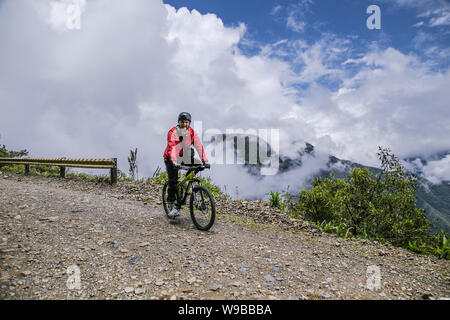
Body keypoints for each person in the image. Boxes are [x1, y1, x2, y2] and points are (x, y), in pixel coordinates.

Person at [163, 112, 209, 217]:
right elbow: (172, 147)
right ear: (178, 122)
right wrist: (174, 161)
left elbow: (198, 145)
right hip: (171, 159)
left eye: (186, 122)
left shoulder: (191, 132)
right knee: (173, 182)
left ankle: (186, 180)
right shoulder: (173, 132)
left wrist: (204, 160)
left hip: (184, 156)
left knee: (198, 164)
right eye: (182, 122)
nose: (184, 124)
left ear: (189, 123)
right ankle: (171, 206)